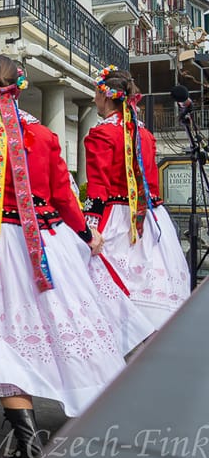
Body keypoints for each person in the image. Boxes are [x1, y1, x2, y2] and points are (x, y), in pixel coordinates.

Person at [0, 55, 152, 458]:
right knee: (60, 332)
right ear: (19, 87)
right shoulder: (43, 135)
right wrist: (86, 234)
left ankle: (27, 443)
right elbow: (64, 194)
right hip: (49, 245)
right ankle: (91, 417)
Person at [84, 67, 190, 328]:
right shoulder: (145, 134)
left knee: (104, 285)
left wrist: (89, 227)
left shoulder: (101, 134)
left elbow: (98, 187)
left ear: (106, 96)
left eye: (96, 95)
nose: (94, 100)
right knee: (152, 279)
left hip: (117, 217)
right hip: (151, 217)